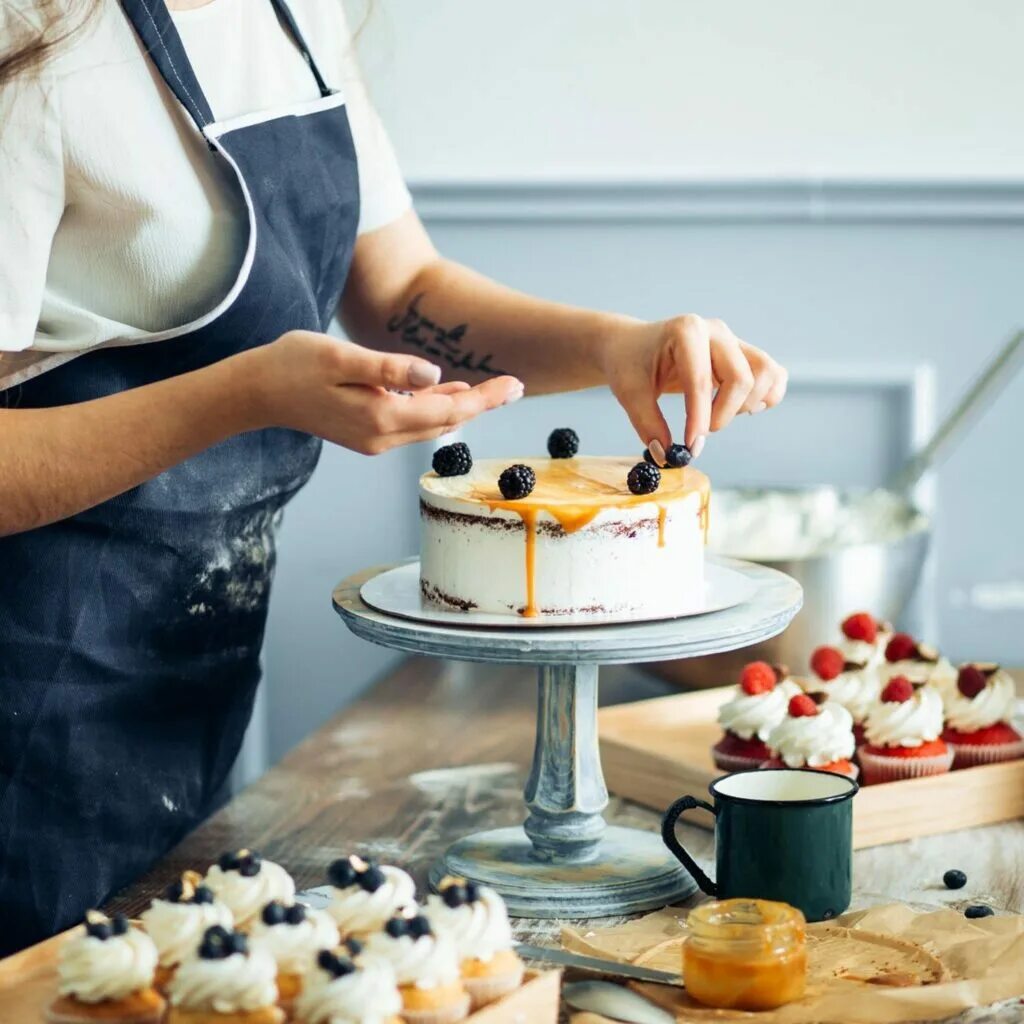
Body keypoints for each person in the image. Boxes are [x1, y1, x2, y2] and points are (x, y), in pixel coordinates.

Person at [0, 0, 788, 954]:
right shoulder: (31, 43)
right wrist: (248, 391)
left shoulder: (297, 14)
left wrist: (620, 345)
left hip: (185, 672)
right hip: (29, 675)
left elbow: (402, 293)